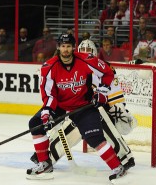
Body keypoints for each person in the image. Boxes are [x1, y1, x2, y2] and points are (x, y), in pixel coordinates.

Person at [28, 38, 136, 177]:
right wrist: (47, 112)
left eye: (68, 46)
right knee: (36, 124)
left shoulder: (89, 62)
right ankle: (44, 162)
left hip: (84, 106)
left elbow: (109, 79)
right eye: (63, 46)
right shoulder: (49, 67)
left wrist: (102, 92)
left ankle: (120, 163)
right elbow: (49, 94)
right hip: (61, 106)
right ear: (59, 47)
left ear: (73, 48)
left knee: (94, 136)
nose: (66, 49)